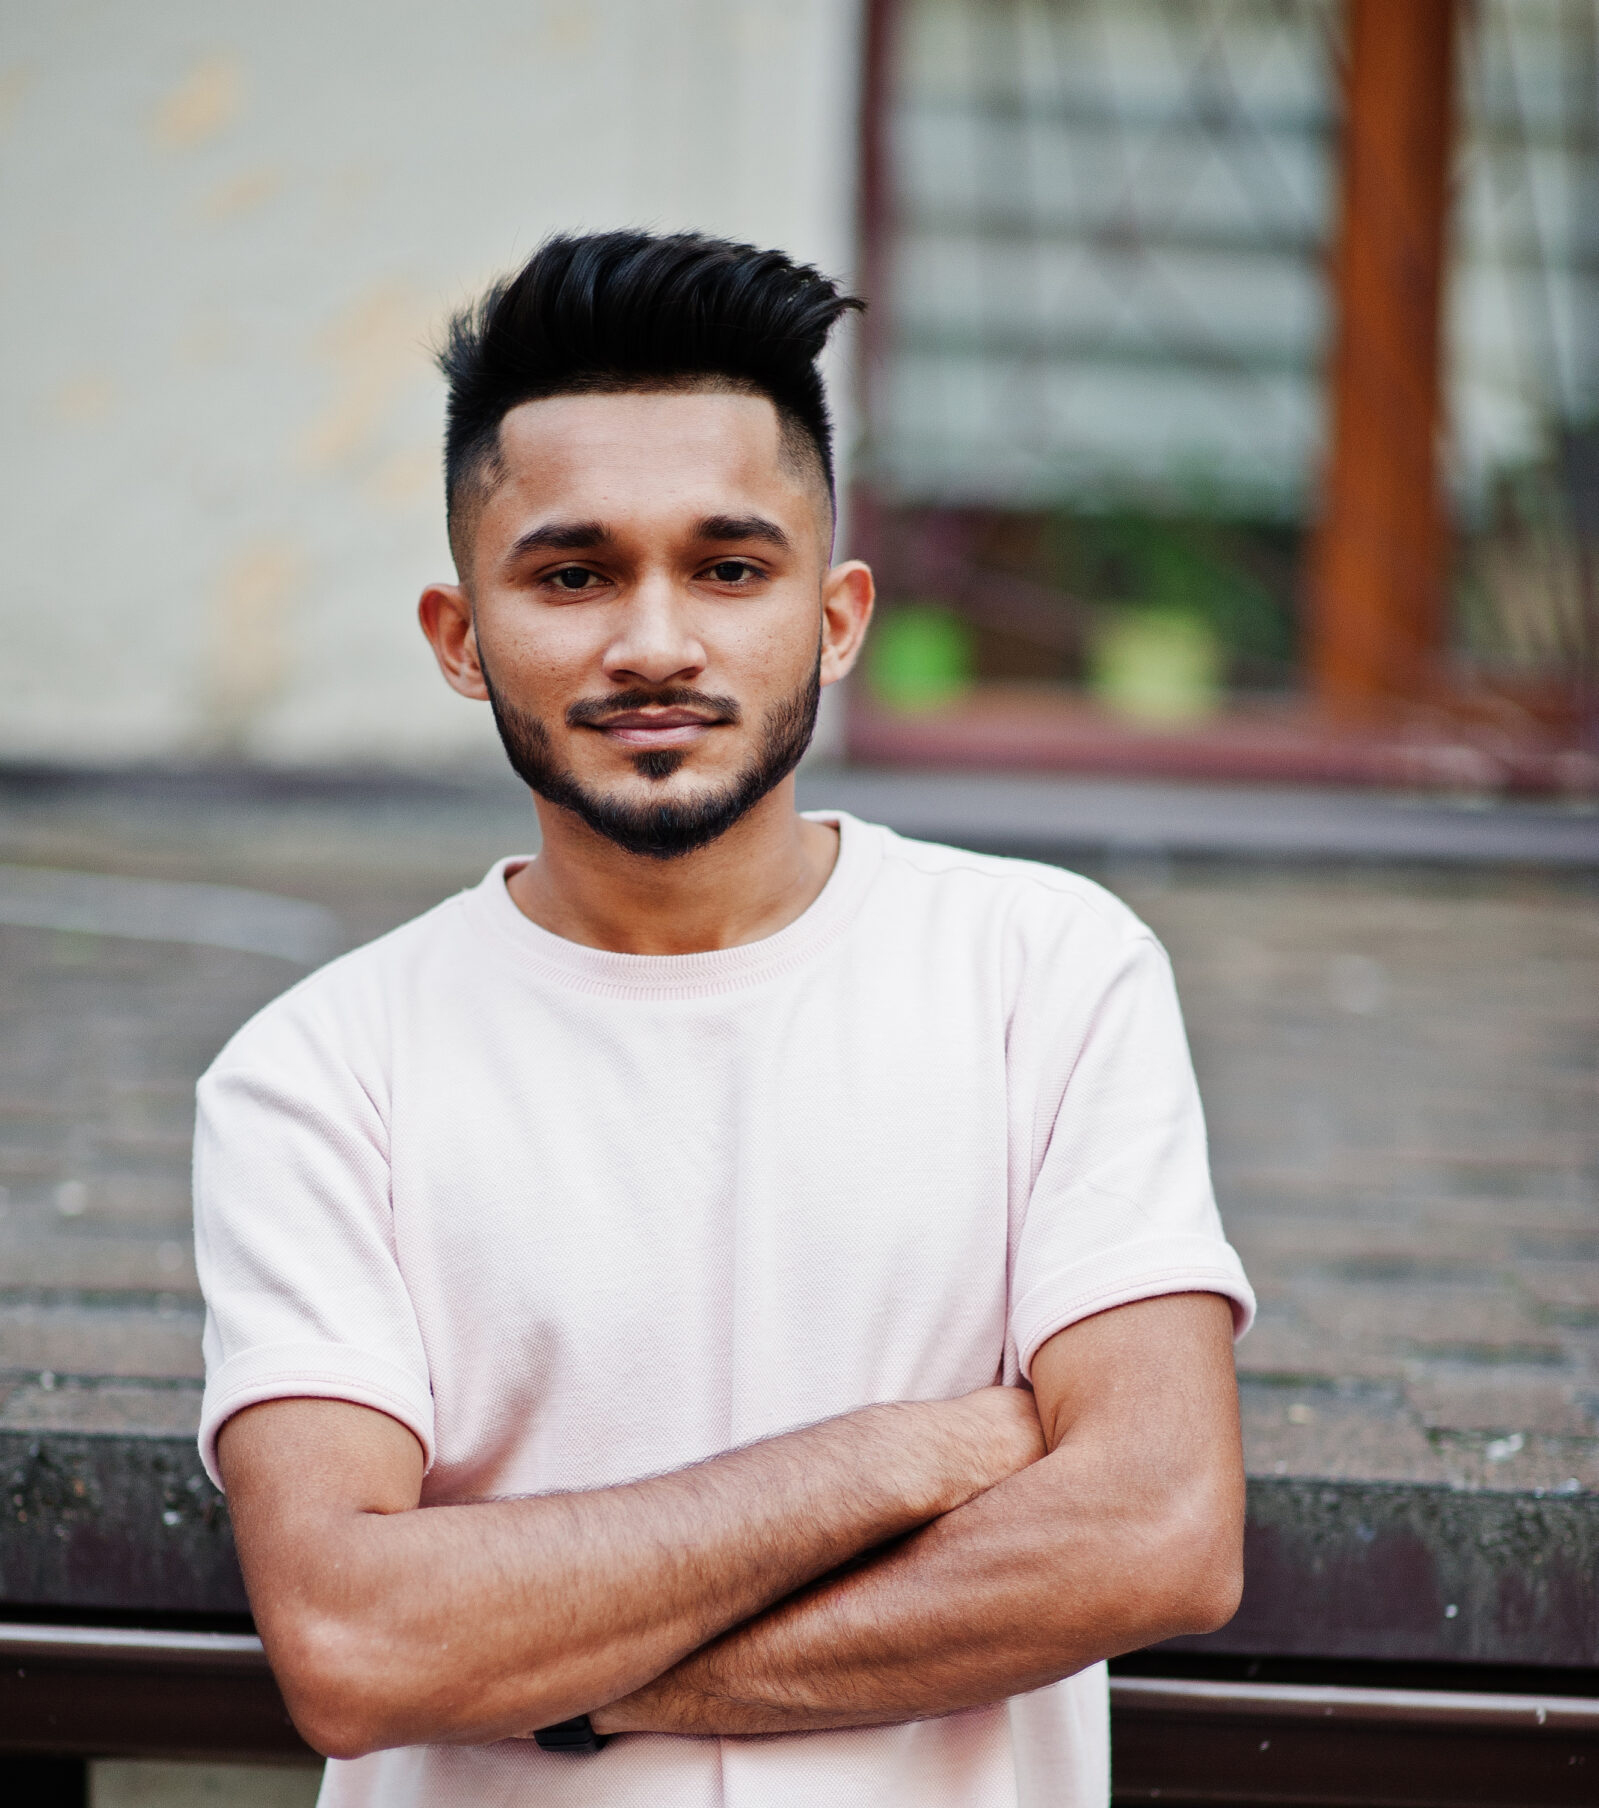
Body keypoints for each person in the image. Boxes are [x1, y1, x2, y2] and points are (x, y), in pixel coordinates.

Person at [194, 230, 1255, 1808]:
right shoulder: (319, 1073)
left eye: (729, 568)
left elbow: (1157, 1534)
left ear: (837, 618)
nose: (654, 643)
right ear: (461, 638)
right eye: (572, 575)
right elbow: (355, 1642)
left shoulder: (1048, 973)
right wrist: (898, 1456)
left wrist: (570, 1692)